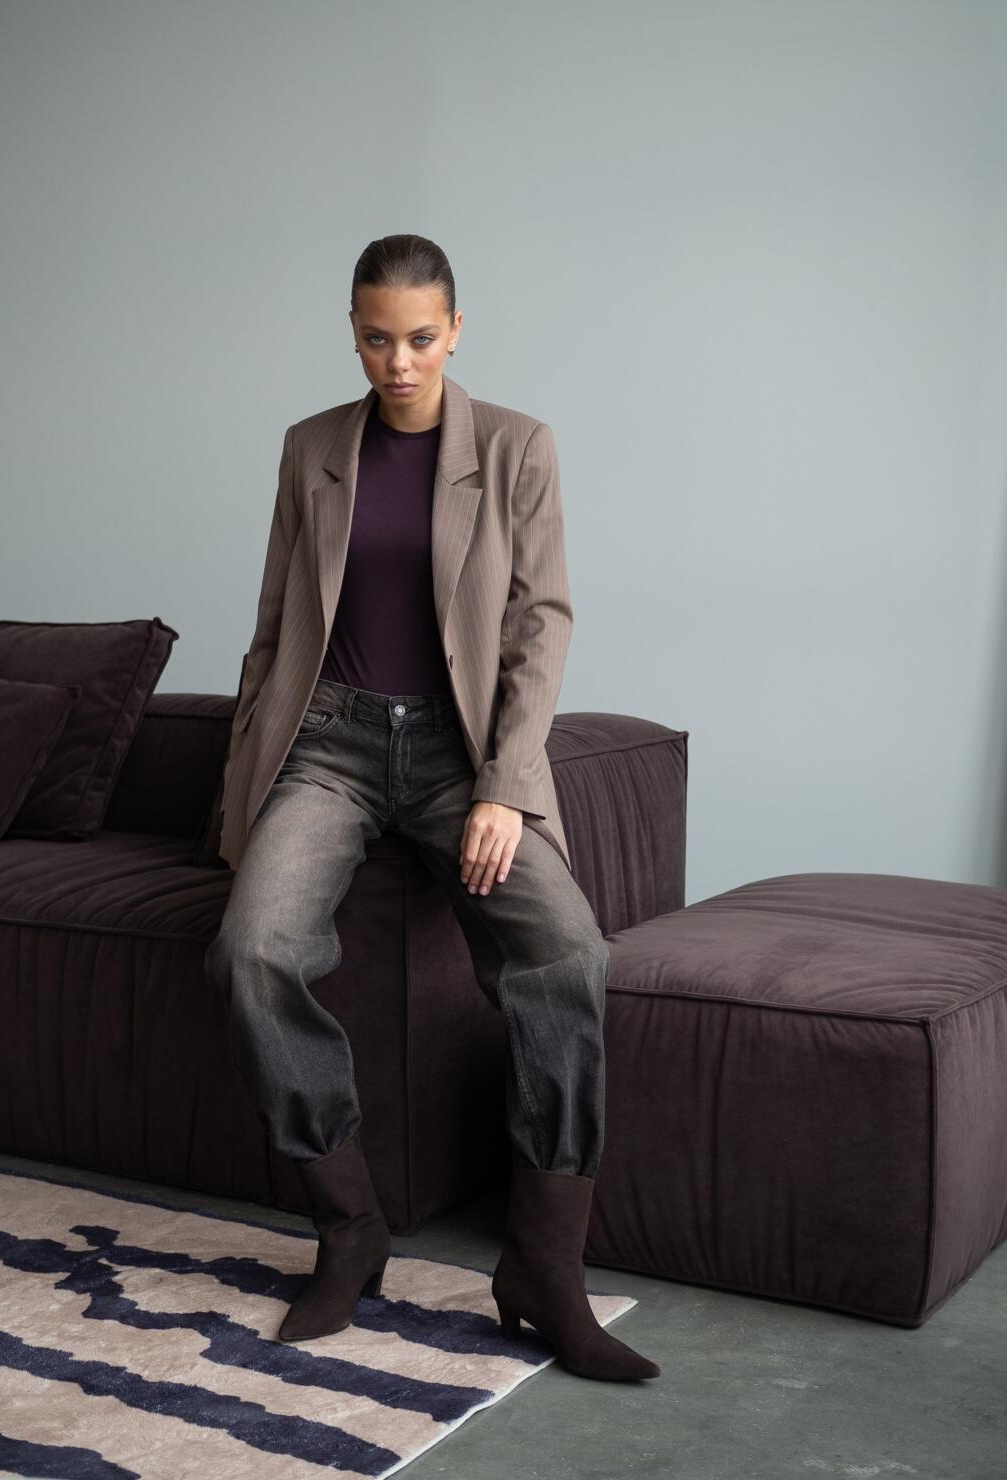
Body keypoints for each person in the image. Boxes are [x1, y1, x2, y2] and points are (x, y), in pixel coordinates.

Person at [204, 234, 659, 1381]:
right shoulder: (311, 447)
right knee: (252, 950)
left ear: (455, 330)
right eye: (375, 337)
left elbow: (541, 625)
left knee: (569, 953)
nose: (397, 361)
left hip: (461, 756)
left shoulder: (516, 446)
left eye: (418, 337)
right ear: (353, 332)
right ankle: (351, 1228)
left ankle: (544, 1268)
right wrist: (240, 791)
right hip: (331, 745)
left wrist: (505, 786)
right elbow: (273, 629)